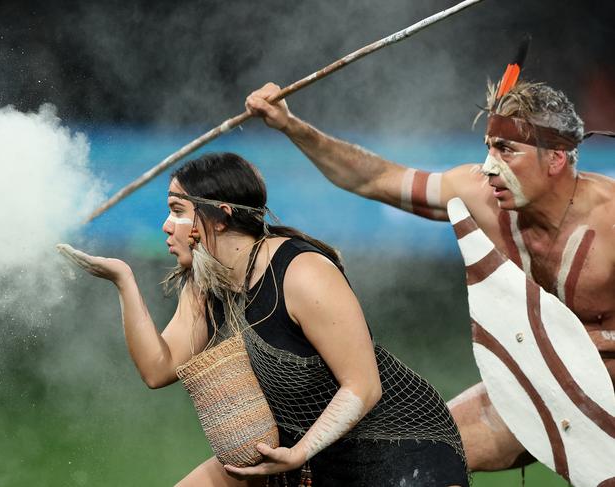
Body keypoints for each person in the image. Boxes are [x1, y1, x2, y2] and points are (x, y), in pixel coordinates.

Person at [244, 79, 615, 472]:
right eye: (489, 148)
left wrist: (583, 344)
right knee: (418, 458)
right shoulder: (479, 194)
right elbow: (373, 179)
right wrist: (290, 125)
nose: (490, 166)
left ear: (555, 159)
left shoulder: (609, 218)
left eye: (507, 150)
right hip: (540, 388)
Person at [57, 152, 468, 486]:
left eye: (178, 211)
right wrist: (123, 281)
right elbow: (158, 368)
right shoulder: (204, 285)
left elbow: (362, 386)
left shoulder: (303, 273)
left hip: (397, 449)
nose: (167, 225)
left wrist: (301, 452)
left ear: (219, 217)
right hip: (299, 456)